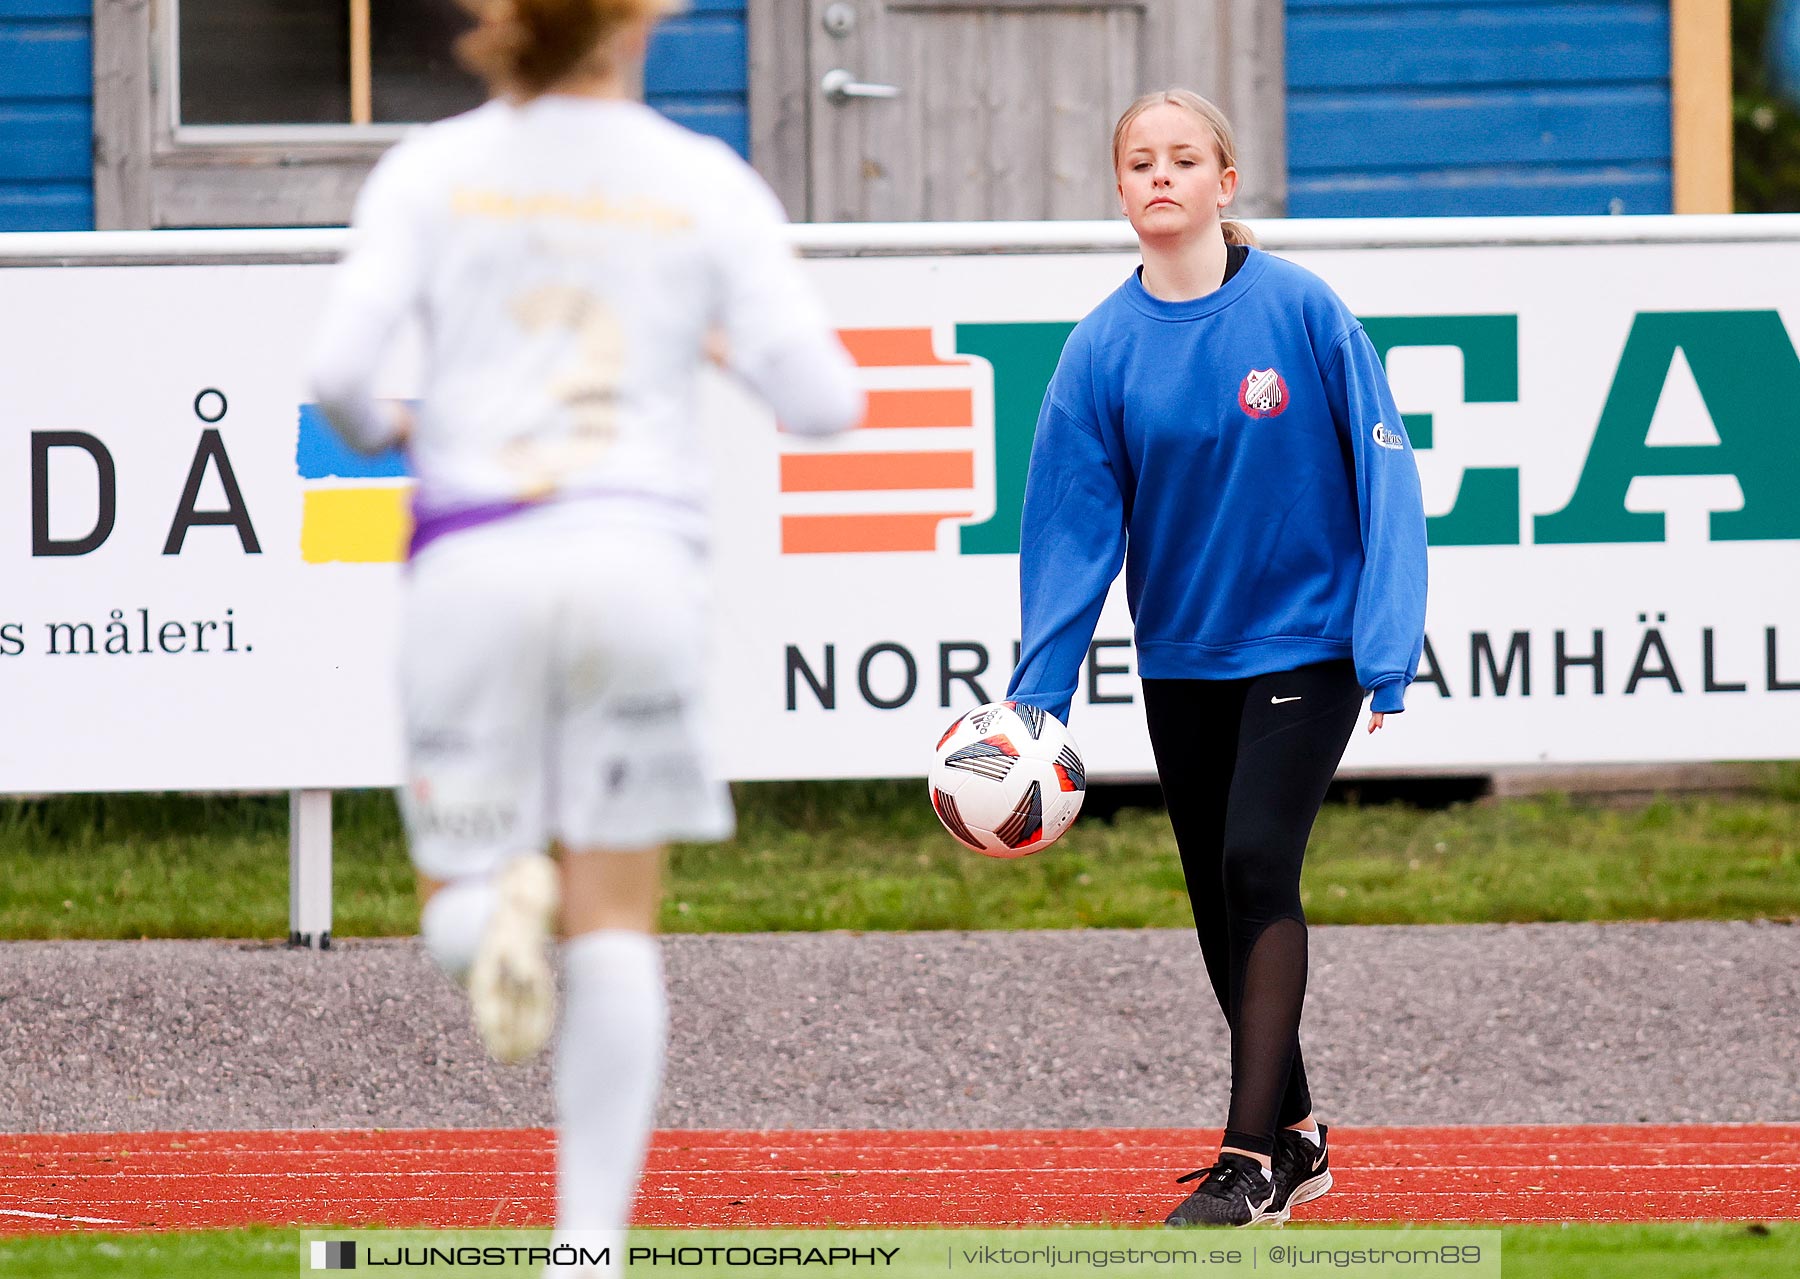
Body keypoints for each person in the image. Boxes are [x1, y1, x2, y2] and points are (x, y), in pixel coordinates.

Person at [306, 0, 862, 1259]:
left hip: (473, 553)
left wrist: (403, 435)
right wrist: (715, 340)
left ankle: (492, 911)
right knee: (616, 919)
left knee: (462, 881)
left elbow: (340, 373)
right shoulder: (701, 181)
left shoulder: (432, 170)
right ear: (641, 20)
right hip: (635, 558)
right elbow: (826, 399)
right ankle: (588, 1247)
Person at [1005, 88, 1428, 1227]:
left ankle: (1248, 1163)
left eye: (1183, 159)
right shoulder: (1100, 350)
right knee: (1213, 903)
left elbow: (1387, 473)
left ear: (1225, 182)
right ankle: (1299, 1138)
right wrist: (1034, 701)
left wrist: (1386, 645)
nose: (1160, 177)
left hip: (1309, 640)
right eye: (1139, 161)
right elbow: (1069, 530)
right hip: (1183, 656)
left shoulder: (1301, 309)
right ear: (1120, 185)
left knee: (1254, 865)